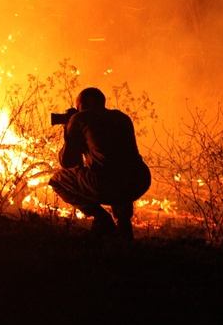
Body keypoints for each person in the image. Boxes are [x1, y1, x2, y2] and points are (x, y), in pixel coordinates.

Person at [48, 87, 151, 240]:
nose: (77, 110)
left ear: (86, 103)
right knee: (119, 168)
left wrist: (68, 129)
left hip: (105, 184)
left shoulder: (80, 119)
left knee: (57, 180)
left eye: (78, 106)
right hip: (139, 180)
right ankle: (124, 226)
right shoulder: (122, 117)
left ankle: (101, 220)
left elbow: (67, 162)